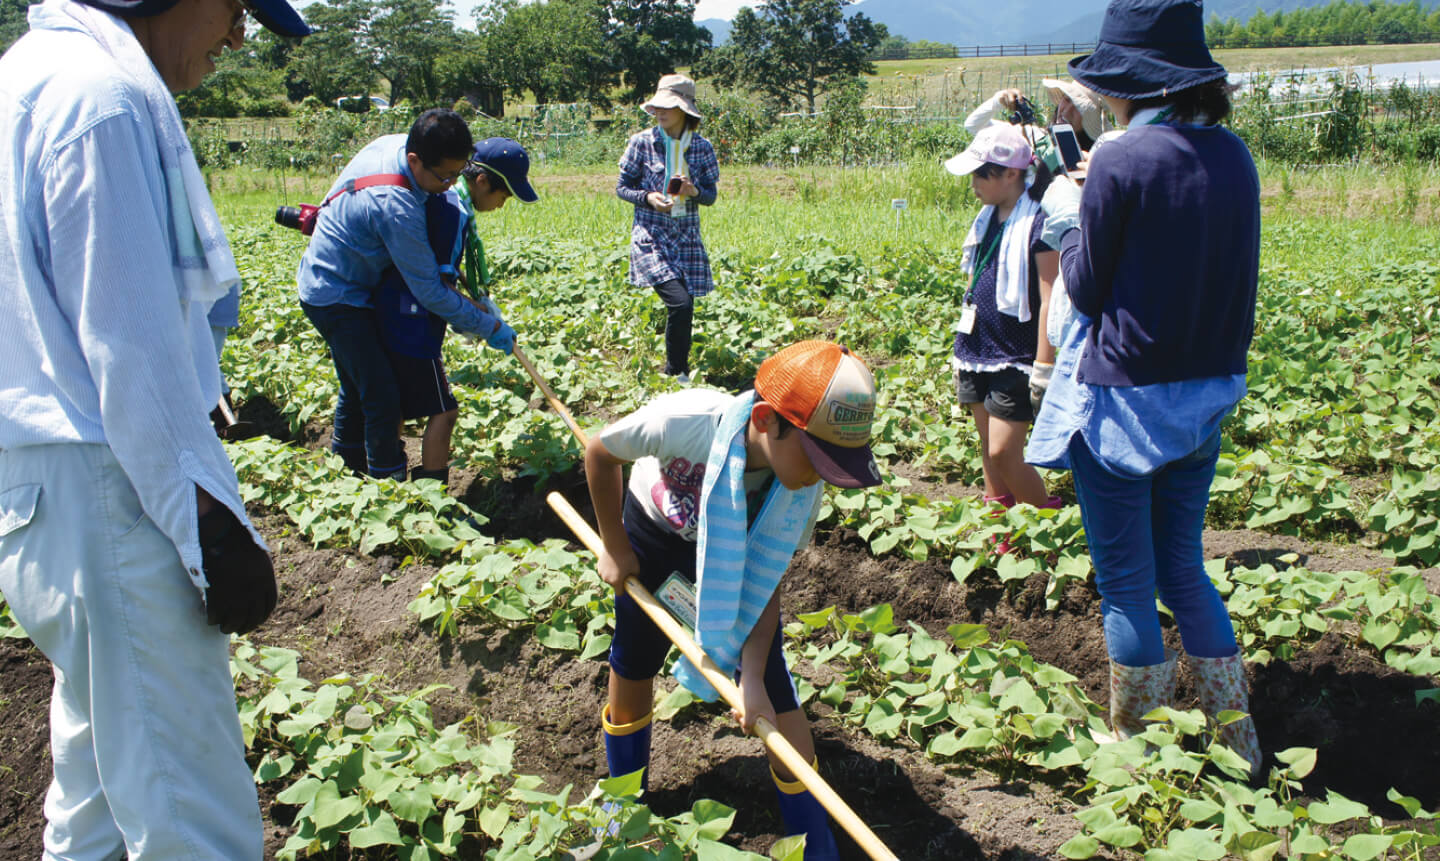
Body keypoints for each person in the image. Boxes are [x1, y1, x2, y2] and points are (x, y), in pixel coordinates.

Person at [0, 0, 308, 853]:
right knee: (190, 814)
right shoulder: (101, 98)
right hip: (114, 487)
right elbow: (129, 339)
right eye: (238, 8)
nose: (240, 36)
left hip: (38, 491)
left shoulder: (24, 75)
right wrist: (207, 515)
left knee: (95, 795)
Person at [1025, 0, 1264, 777]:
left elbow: (1085, 292)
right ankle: (1239, 740)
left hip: (1122, 404)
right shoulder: (1235, 156)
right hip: (1201, 401)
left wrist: (1085, 203)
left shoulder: (1122, 159)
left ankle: (1139, 745)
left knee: (1127, 587)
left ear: (1125, 83)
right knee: (1185, 571)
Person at [585, 341, 882, 859]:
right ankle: (622, 802)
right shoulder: (686, 420)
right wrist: (615, 545)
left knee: (772, 687)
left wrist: (751, 674)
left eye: (835, 466)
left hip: (735, 556)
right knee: (635, 655)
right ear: (768, 421)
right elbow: (599, 451)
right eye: (816, 459)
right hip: (655, 531)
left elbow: (764, 582)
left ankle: (816, 844)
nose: (819, 477)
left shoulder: (798, 492)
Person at [296, 109, 517, 480]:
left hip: (358, 279)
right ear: (414, 159)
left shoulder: (401, 145)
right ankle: (390, 486)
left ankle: (344, 473)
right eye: (444, 176)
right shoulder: (396, 205)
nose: (450, 186)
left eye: (457, 173)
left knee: (358, 385)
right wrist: (487, 325)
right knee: (382, 396)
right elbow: (429, 290)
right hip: (335, 293)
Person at [374, 137, 538, 484]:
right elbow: (438, 289)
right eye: (503, 195)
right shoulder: (453, 211)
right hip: (411, 320)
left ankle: (389, 484)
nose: (502, 204)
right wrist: (486, 324)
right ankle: (432, 495)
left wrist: (481, 308)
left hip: (391, 308)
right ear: (481, 181)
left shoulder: (444, 196)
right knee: (444, 411)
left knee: (395, 403)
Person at [944, 125, 1063, 519]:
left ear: (1012, 173)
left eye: (981, 174)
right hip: (977, 348)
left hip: (1017, 354)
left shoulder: (1040, 222)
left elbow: (1050, 297)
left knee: (1003, 450)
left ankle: (1047, 522)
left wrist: (1044, 367)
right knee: (986, 446)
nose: (973, 183)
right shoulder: (987, 218)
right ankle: (1000, 525)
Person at [616, 74, 720, 383]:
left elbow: (711, 196)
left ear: (685, 110)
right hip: (651, 238)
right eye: (657, 106)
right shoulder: (642, 143)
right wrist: (648, 197)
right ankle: (676, 372)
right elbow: (623, 188)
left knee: (684, 307)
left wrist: (693, 192)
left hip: (685, 238)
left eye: (668, 107)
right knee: (680, 301)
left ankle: (678, 370)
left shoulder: (700, 148)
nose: (660, 113)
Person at [964, 78, 1112, 166]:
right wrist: (998, 101)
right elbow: (973, 126)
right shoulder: (1035, 135)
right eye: (1066, 100)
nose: (1066, 110)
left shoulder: (1095, 157)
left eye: (1078, 108)